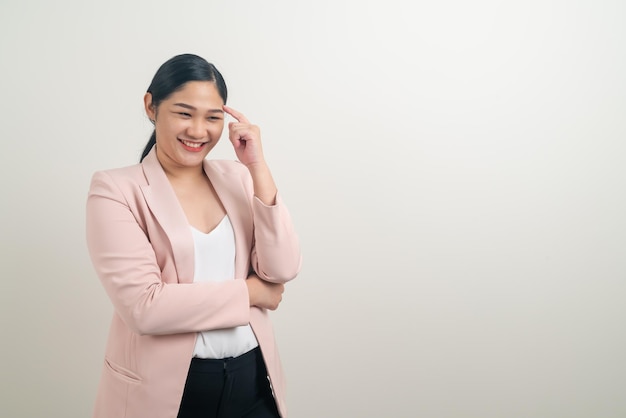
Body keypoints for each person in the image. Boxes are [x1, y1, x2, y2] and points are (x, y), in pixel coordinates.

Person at [86, 53, 302, 418]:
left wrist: (257, 167)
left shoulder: (238, 177)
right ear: (151, 107)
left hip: (251, 379)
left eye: (213, 117)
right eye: (184, 113)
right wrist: (250, 293)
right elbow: (146, 308)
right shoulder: (115, 190)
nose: (199, 131)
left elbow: (281, 269)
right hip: (167, 393)